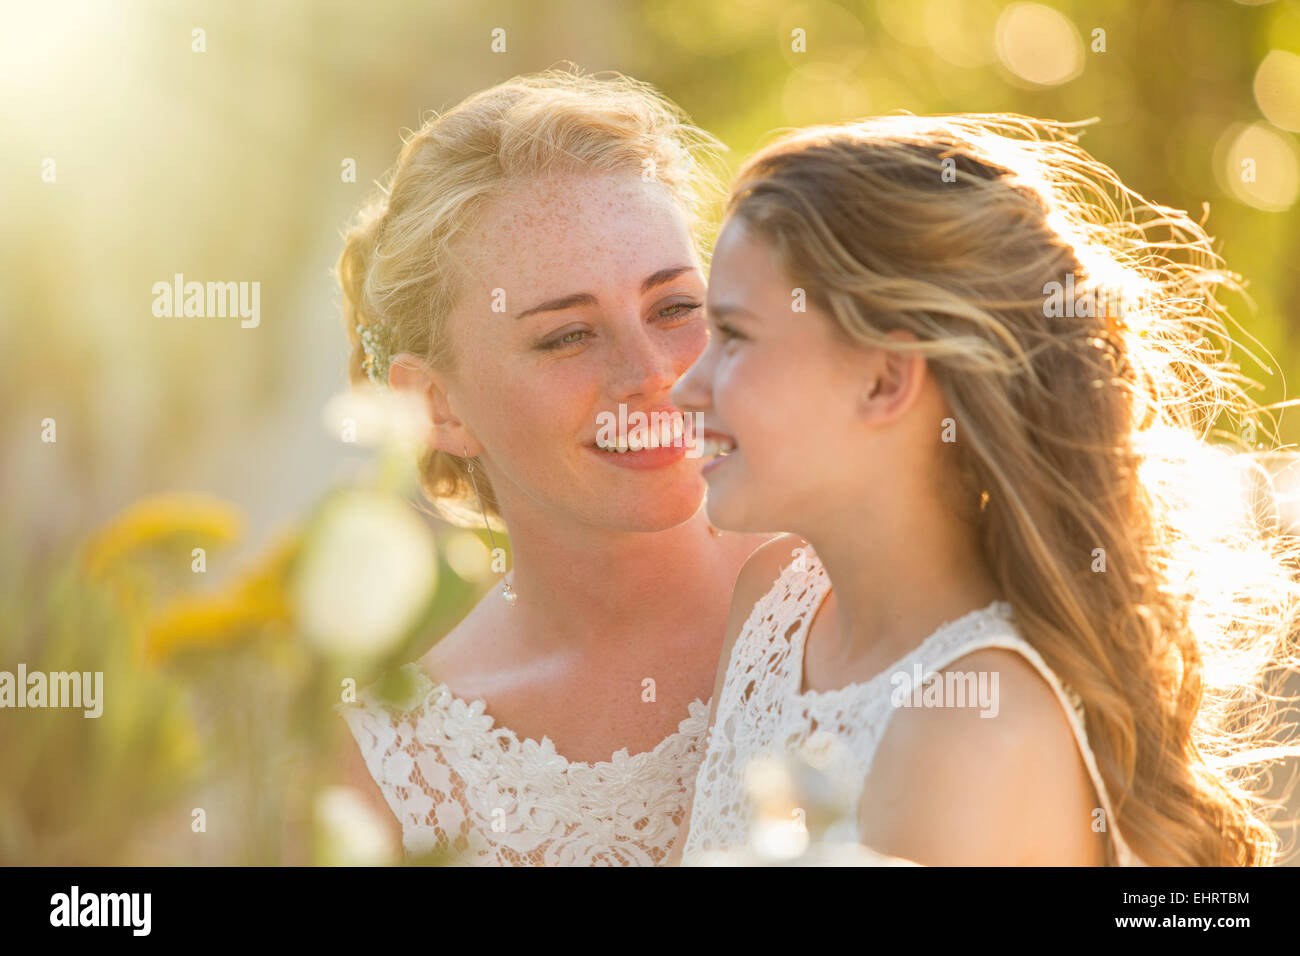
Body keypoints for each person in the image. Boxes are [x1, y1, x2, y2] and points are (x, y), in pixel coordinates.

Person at [670, 114, 1300, 866]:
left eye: (735, 336)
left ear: (884, 379)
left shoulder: (980, 733)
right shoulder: (773, 605)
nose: (685, 387)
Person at [334, 68, 770, 865]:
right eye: (566, 336)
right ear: (438, 407)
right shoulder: (388, 770)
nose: (652, 372)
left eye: (674, 308)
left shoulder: (848, 581)